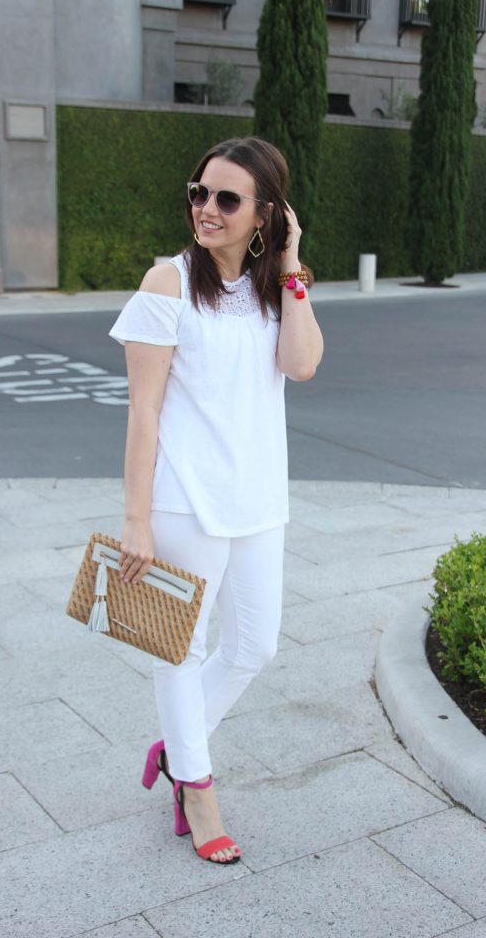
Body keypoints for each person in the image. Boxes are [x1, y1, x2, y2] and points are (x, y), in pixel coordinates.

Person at [108, 135, 324, 864]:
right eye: (198, 192)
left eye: (227, 198)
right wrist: (134, 520)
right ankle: (196, 787)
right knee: (179, 649)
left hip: (259, 498)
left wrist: (290, 267)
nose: (206, 208)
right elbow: (143, 411)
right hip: (180, 501)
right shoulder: (165, 282)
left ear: (266, 212)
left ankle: (174, 748)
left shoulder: (275, 288)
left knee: (254, 644)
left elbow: (301, 366)